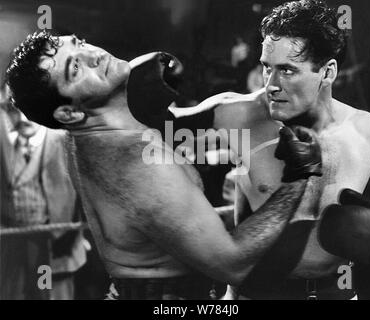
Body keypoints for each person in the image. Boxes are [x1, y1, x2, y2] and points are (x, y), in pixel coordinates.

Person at [6, 31, 322, 300]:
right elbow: (233, 263)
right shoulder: (136, 167)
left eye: (79, 43)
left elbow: (175, 126)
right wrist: (299, 178)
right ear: (68, 114)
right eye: (75, 68)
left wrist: (265, 95)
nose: (93, 55)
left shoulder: (89, 134)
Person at [157, 0, 370, 299]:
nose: (271, 84)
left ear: (328, 71)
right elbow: (155, 130)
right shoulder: (238, 114)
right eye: (267, 68)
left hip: (336, 292)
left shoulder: (367, 130)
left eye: (287, 71)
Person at [0, 85, 86, 300]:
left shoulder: (64, 139)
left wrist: (75, 233)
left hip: (53, 247)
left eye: (29, 109)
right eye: (13, 109)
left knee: (47, 292)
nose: (22, 118)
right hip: (13, 247)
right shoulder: (7, 144)